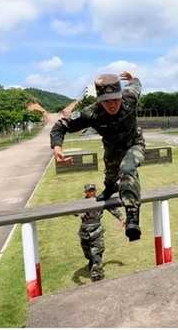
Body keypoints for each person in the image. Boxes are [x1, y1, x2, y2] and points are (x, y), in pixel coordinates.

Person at [50, 71, 145, 241]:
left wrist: (133, 79)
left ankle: (132, 217)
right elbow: (60, 126)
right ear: (99, 100)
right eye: (107, 101)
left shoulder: (130, 98)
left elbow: (136, 84)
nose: (113, 105)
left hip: (134, 143)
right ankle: (110, 188)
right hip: (112, 149)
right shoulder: (90, 113)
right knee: (110, 177)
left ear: (121, 95)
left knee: (127, 169)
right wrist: (57, 147)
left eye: (116, 99)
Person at [77, 183, 125, 282]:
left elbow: (113, 209)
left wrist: (121, 219)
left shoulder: (100, 200)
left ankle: (97, 274)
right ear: (85, 192)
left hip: (97, 230)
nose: (91, 192)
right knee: (88, 254)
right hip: (84, 231)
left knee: (97, 252)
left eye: (93, 190)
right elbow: (74, 212)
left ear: (95, 191)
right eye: (89, 191)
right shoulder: (82, 202)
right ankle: (92, 262)